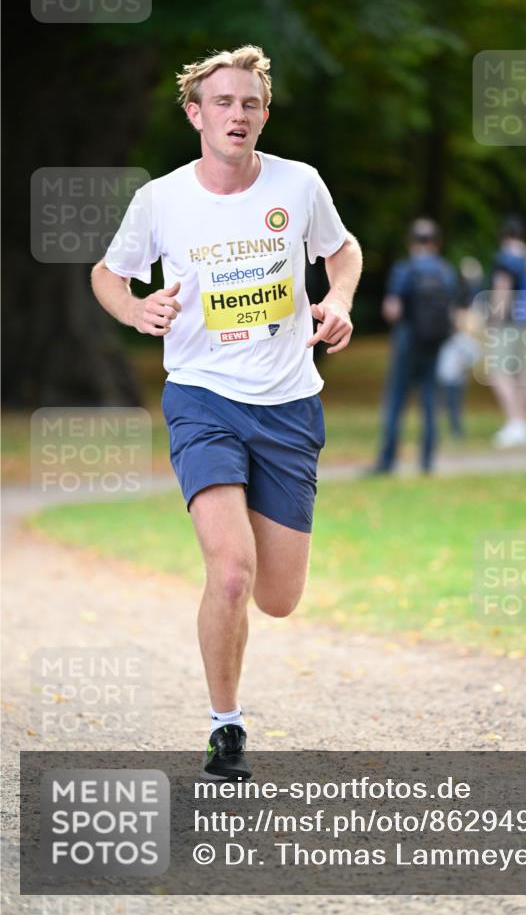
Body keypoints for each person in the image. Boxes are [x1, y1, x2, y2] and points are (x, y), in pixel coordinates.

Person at [91, 45, 362, 779]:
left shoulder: (298, 184)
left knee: (276, 598)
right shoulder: (163, 199)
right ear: (195, 114)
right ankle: (226, 724)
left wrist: (335, 301)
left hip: (288, 405)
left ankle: (232, 684)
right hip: (201, 397)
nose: (236, 114)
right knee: (232, 572)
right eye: (222, 102)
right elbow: (108, 274)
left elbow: (342, 252)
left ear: (263, 114)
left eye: (249, 103)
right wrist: (136, 308)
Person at [374, 217, 458, 473]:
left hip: (407, 341)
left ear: (411, 242)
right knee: (431, 400)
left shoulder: (405, 269)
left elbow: (393, 310)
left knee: (396, 400)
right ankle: (427, 460)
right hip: (434, 344)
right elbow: (453, 313)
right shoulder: (446, 271)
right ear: (437, 242)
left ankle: (388, 460)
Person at [486, 214, 526, 448]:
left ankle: (514, 423)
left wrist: (494, 318)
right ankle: (525, 424)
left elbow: (502, 288)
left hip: (508, 322)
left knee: (497, 372)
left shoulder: (505, 257)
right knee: (522, 372)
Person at [435, 256, 483, 438]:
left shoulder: (475, 298)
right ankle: (448, 425)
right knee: (448, 383)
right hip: (455, 342)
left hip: (463, 343)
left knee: (453, 384)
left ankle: (453, 426)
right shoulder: (459, 295)